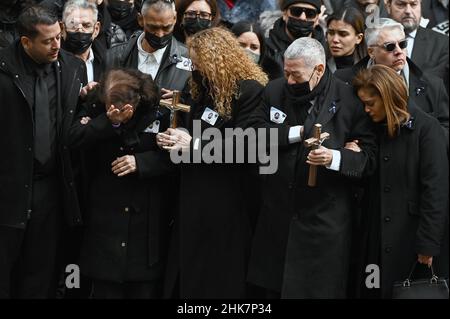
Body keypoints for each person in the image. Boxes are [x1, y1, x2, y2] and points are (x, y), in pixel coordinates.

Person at [247, 37, 377, 298]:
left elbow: (368, 158)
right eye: (286, 72)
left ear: (318, 70)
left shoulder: (349, 100)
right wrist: (296, 133)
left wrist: (334, 158)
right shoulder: (273, 91)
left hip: (324, 223)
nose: (290, 81)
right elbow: (252, 135)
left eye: (296, 75)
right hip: (277, 218)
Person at [157, 27, 268, 298]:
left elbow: (250, 145)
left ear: (219, 59)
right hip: (193, 194)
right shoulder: (199, 86)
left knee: (221, 277)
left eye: (199, 62)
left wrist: (193, 145)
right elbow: (192, 129)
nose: (194, 67)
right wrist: (178, 135)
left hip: (228, 199)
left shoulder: (249, 90)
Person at [0, 5, 85, 298]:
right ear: (26, 42)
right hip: (8, 190)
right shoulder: (3, 70)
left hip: (50, 190)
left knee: (41, 276)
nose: (57, 45)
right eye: (48, 41)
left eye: (59, 37)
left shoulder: (73, 68)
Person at [67, 68, 173, 299]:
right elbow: (73, 139)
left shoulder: (159, 112)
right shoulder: (95, 108)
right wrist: (108, 122)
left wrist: (142, 163)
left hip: (145, 218)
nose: (112, 110)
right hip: (105, 218)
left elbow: (175, 157)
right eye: (108, 106)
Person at [352, 65, 449, 298]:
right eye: (363, 103)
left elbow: (435, 189)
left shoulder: (427, 129)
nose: (366, 110)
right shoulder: (371, 129)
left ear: (388, 98)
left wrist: (428, 244)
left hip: (412, 239)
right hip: (375, 238)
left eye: (371, 103)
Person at [335, 18, 449, 141]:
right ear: (371, 52)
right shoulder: (343, 81)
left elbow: (445, 129)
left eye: (402, 44)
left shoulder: (433, 85)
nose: (399, 51)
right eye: (390, 47)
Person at [107, 0, 191, 100]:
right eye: (153, 27)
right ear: (140, 20)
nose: (160, 34)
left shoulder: (189, 60)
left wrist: (183, 100)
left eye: (167, 28)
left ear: (175, 19)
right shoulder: (113, 56)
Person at [385, 0, 449, 88]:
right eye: (401, 5)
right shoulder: (376, 42)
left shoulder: (442, 43)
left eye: (413, 4)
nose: (408, 11)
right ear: (388, 6)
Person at [261, 0, 326, 80]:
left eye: (310, 13)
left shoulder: (330, 50)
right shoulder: (265, 49)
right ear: (284, 14)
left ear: (317, 19)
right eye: (296, 11)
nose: (302, 17)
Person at [62, 0, 106, 83]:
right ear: (62, 29)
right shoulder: (53, 63)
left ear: (96, 29)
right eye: (73, 25)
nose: (80, 30)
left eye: (86, 25)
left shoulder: (107, 61)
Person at [326, 7, 366, 73]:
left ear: (359, 38)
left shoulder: (369, 68)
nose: (335, 40)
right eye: (331, 33)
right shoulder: (317, 67)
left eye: (343, 34)